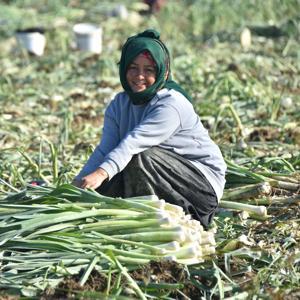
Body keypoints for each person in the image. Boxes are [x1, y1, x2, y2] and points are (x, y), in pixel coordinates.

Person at [73, 29, 226, 229]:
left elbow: (132, 144)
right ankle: (133, 214)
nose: (140, 77)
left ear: (163, 71)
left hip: (200, 187)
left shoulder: (171, 105)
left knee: (139, 157)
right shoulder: (119, 104)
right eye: (133, 68)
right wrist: (76, 186)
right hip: (155, 174)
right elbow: (105, 150)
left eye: (149, 70)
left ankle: (182, 219)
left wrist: (101, 173)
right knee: (107, 176)